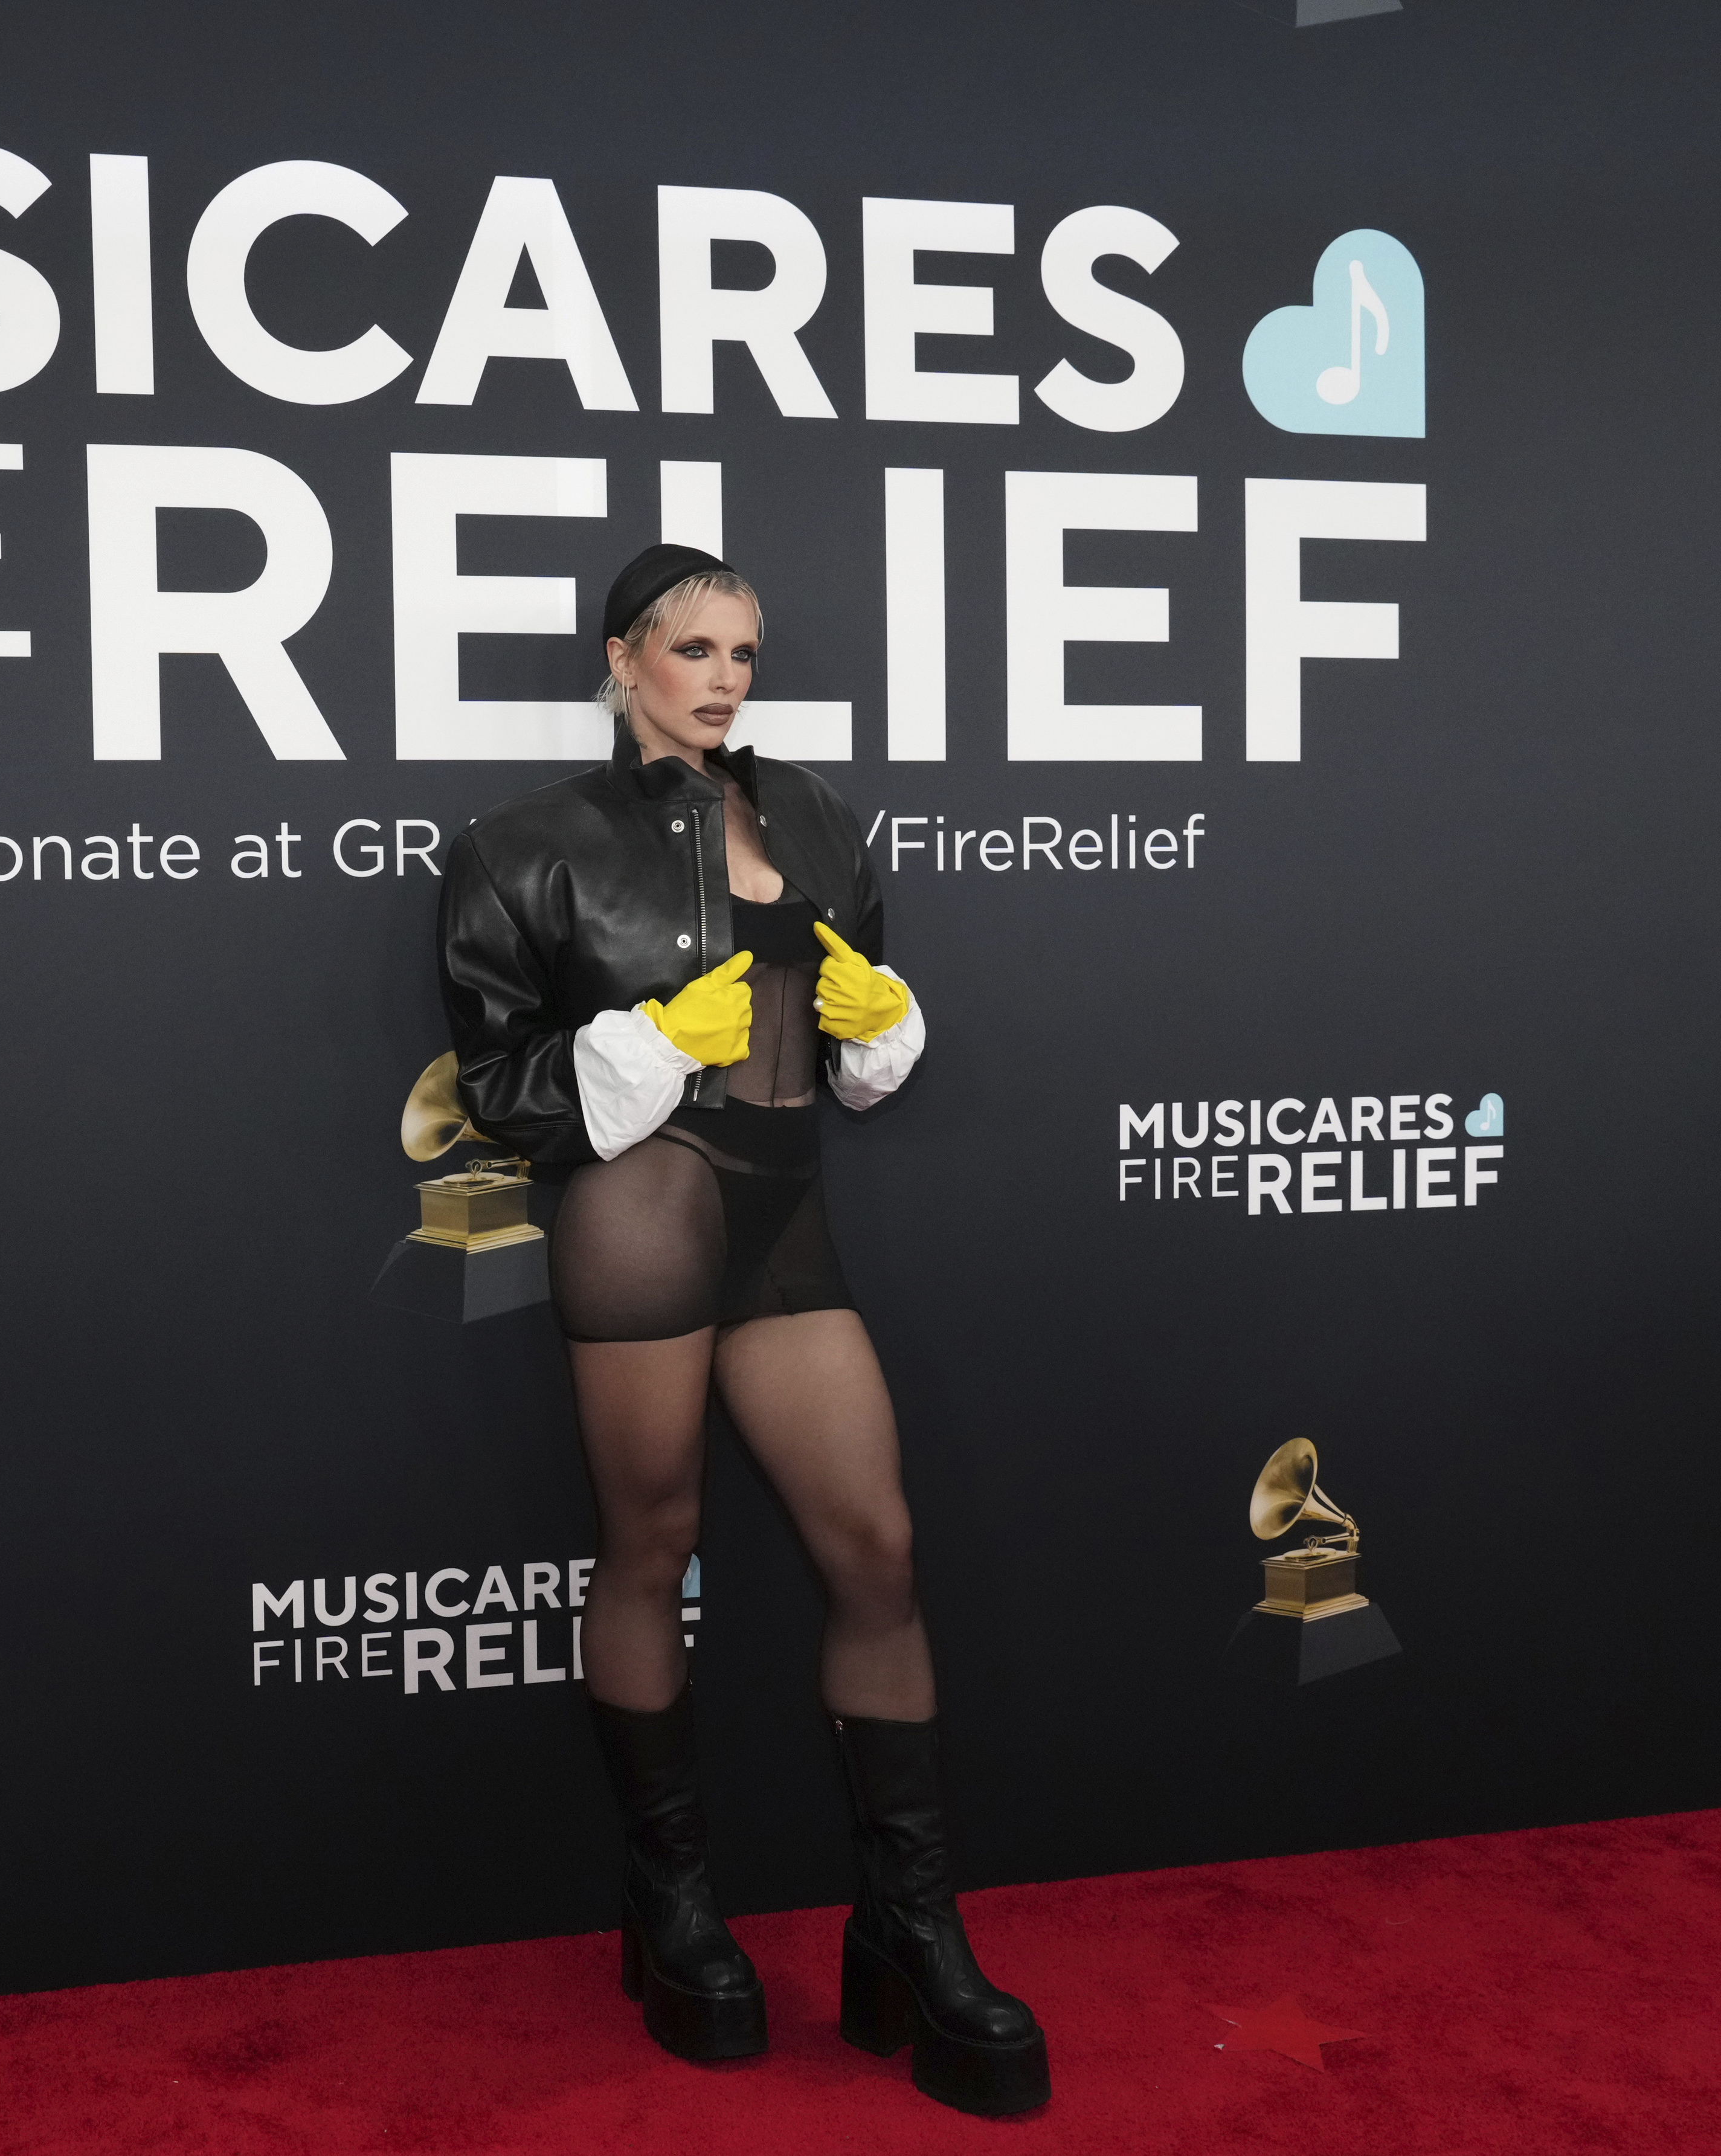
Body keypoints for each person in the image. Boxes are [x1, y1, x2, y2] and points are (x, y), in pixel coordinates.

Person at [434, 544, 1048, 2118]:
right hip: (640, 1197)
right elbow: (496, 1089)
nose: (723, 675)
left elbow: (854, 1036)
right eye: (691, 646)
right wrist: (635, 1041)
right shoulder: (524, 846)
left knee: (877, 1546)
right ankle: (671, 1907)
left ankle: (906, 1929)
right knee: (649, 1538)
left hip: (786, 1203)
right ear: (622, 658)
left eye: (746, 652)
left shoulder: (822, 820)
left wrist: (878, 1024)